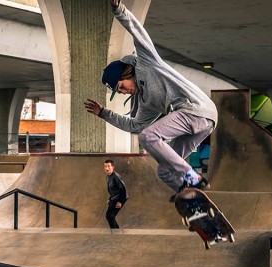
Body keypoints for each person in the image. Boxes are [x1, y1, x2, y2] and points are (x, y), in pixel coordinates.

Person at [84, 0, 218, 202]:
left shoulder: (147, 63)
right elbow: (134, 125)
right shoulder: (145, 102)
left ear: (127, 73)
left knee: (148, 136)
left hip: (196, 110)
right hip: (201, 124)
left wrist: (119, 10)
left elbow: (137, 32)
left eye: (121, 87)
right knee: (164, 171)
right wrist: (104, 113)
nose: (124, 92)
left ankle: (192, 177)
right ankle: (192, 201)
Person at [104, 159, 128, 229]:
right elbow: (112, 190)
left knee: (110, 215)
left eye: (108, 166)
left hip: (120, 197)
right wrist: (110, 199)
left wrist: (120, 202)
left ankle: (115, 233)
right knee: (110, 216)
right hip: (114, 197)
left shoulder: (116, 177)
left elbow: (123, 189)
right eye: (105, 166)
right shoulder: (108, 176)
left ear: (113, 167)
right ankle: (117, 232)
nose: (107, 168)